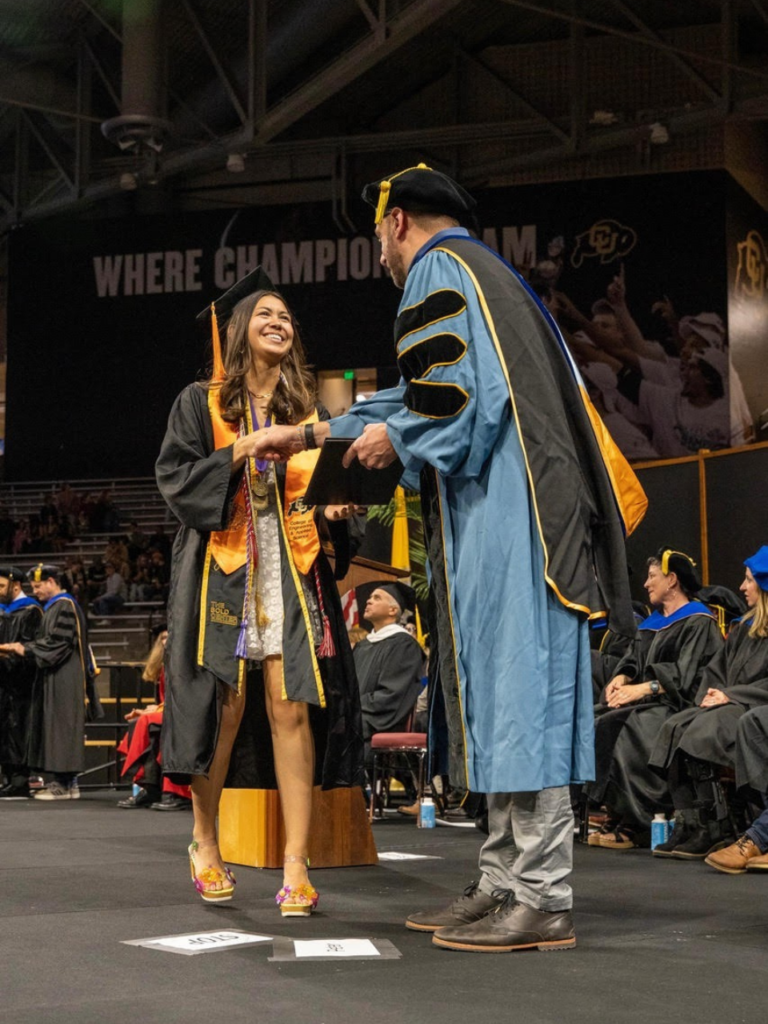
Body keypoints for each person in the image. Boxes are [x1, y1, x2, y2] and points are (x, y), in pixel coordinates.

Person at [261, 163, 645, 952]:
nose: (379, 259)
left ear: (398, 220)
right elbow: (430, 393)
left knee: (524, 695)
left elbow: (449, 405)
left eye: (377, 239)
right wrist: (309, 435)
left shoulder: (439, 270)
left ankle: (541, 892)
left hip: (518, 519)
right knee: (503, 699)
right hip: (501, 513)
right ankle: (504, 878)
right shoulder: (485, 276)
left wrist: (392, 438)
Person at [155, 269, 365, 910]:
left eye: (286, 316)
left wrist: (335, 512)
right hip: (224, 564)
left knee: (291, 707)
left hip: (290, 570)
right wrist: (243, 448)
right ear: (241, 329)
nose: (279, 321)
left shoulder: (309, 413)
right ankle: (205, 840)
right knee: (225, 708)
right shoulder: (202, 401)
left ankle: (296, 864)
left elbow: (332, 486)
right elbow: (176, 479)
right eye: (265, 314)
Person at [586, 549, 723, 849]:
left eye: (652, 577)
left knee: (627, 729)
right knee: (597, 718)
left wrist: (641, 689)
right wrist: (621, 678)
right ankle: (617, 812)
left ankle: (638, 823)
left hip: (680, 704)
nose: (646, 584)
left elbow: (684, 677)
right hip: (651, 701)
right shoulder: (652, 623)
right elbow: (633, 660)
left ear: (672, 580)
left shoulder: (698, 621)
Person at [648, 548, 768, 859]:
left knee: (701, 732)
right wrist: (710, 695)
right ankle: (689, 821)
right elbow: (716, 671)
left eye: (749, 580)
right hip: (728, 704)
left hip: (752, 707)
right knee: (675, 725)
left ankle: (715, 825)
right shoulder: (744, 627)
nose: (742, 587)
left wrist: (732, 695)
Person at [0, 564, 100, 800]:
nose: (36, 591)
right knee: (59, 728)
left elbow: (57, 643)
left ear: (52, 582)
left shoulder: (63, 606)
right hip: (57, 675)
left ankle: (64, 785)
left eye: (39, 586)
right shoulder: (57, 606)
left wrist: (21, 648)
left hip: (65, 677)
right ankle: (66, 784)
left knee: (63, 728)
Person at [116, 629, 192, 811]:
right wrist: (149, 710)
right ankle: (150, 787)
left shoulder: (186, 663)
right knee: (140, 722)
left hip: (188, 715)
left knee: (146, 722)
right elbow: (167, 701)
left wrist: (155, 710)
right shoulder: (165, 667)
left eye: (169, 637)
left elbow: (186, 698)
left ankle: (174, 792)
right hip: (172, 713)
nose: (166, 641)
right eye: (163, 638)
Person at [353, 582, 424, 759]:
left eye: (377, 598)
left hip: (380, 720)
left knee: (339, 729)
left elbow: (392, 694)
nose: (369, 601)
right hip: (357, 712)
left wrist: (351, 706)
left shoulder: (403, 645)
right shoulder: (363, 645)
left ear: (393, 610)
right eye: (369, 597)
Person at [0, 567, 43, 798]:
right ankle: (7, 777)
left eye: (0, 586)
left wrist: (11, 655)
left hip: (21, 682)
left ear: (15, 584)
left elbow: (32, 647)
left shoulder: (31, 611)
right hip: (2, 682)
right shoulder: (2, 610)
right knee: (4, 728)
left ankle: (20, 779)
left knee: (18, 727)